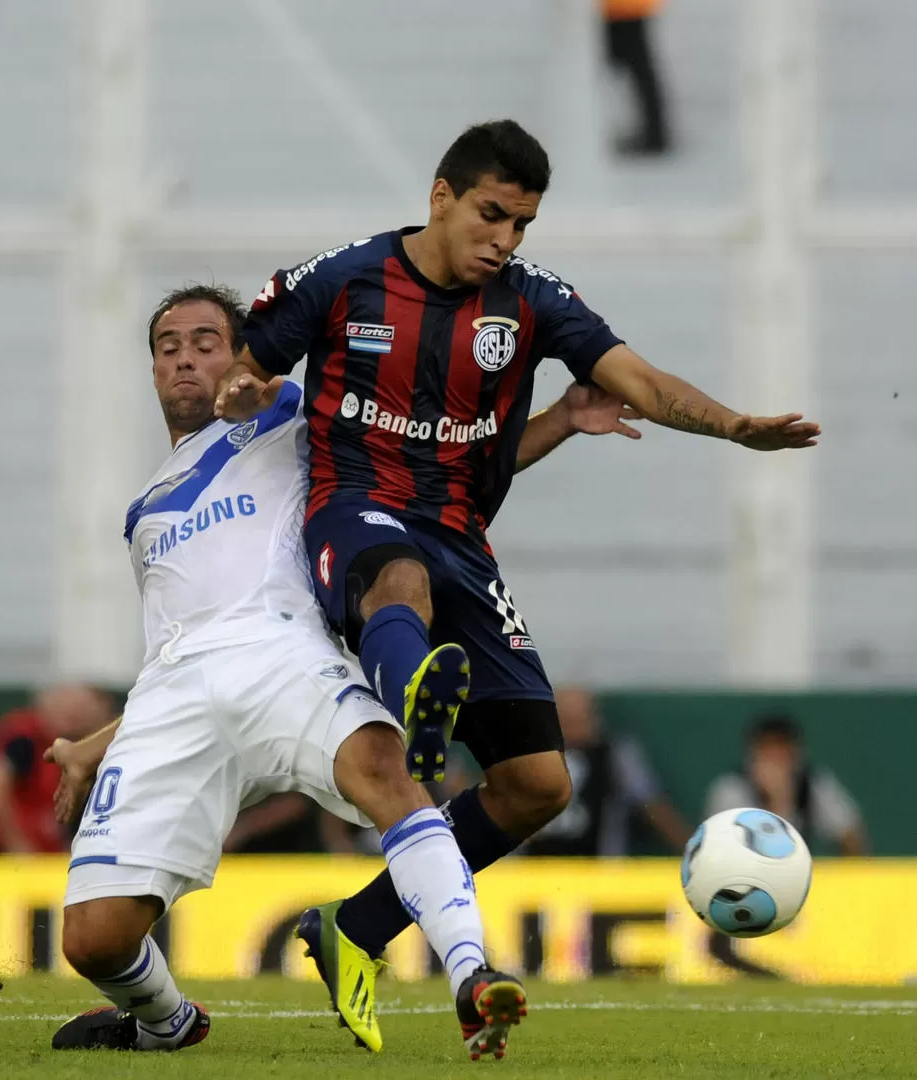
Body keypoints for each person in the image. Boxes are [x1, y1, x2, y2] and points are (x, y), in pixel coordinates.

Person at [214, 118, 820, 1038]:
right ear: (441, 197)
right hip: (355, 515)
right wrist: (243, 390)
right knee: (400, 583)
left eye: (522, 225)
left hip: (463, 542)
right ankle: (411, 694)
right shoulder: (343, 280)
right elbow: (245, 365)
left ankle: (355, 926)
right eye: (491, 216)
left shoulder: (530, 304)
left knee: (540, 785)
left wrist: (734, 427)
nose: (504, 240)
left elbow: (637, 378)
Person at [48, 283, 626, 1060]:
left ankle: (471, 972)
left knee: (388, 772)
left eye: (206, 339)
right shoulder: (143, 508)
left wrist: (556, 420)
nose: (186, 355)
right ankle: (165, 1023)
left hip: (286, 655)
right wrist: (94, 745)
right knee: (93, 939)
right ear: (153, 369)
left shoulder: (293, 421)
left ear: (242, 352)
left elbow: (436, 474)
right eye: (168, 345)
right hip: (176, 694)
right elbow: (179, 646)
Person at [0, 686, 111, 854]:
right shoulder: (25, 734)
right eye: (70, 706)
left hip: (39, 857)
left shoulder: (80, 746)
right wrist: (17, 843)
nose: (75, 714)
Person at [523, 687, 690, 856]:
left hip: (600, 872)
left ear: (595, 719)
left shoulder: (615, 754)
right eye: (564, 720)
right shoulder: (530, 756)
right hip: (536, 873)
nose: (572, 729)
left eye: (580, 719)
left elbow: (653, 806)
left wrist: (690, 849)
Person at [704, 713, 867, 855]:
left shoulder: (814, 785)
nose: (774, 758)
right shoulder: (730, 789)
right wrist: (773, 801)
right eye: (767, 749)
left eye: (781, 749)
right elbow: (713, 847)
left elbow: (850, 836)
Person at [601, 0, 672, 156]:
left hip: (624, 8)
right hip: (624, 7)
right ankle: (655, 134)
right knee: (639, 66)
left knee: (639, 66)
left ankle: (655, 136)